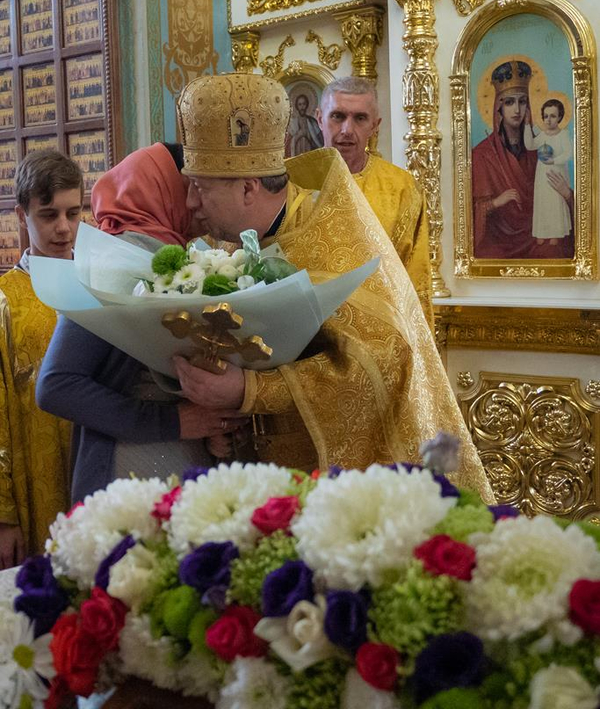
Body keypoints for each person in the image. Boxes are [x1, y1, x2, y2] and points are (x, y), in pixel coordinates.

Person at [173, 72, 493, 498]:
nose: (190, 204)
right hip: (256, 473)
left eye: (199, 188)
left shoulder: (336, 236)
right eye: (337, 116)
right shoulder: (218, 243)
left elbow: (387, 358)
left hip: (340, 487)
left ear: (249, 188)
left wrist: (252, 390)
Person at [36, 143, 243, 503]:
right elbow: (56, 385)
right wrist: (174, 422)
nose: (196, 202)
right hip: (128, 469)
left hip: (180, 462)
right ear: (161, 189)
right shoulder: (113, 263)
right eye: (188, 188)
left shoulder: (181, 255)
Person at [0, 150, 83, 568]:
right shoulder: (6, 301)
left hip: (95, 466)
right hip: (34, 479)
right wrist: (3, 517)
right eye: (49, 215)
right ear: (21, 215)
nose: (64, 228)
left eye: (73, 212)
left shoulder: (100, 285)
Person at [317, 76, 433, 328]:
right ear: (319, 118)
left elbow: (415, 275)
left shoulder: (401, 188)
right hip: (307, 335)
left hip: (378, 332)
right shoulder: (292, 182)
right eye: (337, 116)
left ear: (375, 126)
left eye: (360, 118)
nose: (347, 130)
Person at [472, 60, 573, 260]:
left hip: (540, 231)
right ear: (498, 108)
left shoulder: (542, 147)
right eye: (509, 102)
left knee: (554, 251)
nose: (517, 109)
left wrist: (567, 195)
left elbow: (560, 177)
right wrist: (495, 203)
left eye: (522, 101)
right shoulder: (482, 154)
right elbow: (470, 212)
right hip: (501, 242)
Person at [524, 98, 572, 246]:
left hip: (557, 174)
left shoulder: (563, 134)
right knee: (543, 202)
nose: (548, 120)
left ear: (559, 117)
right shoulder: (543, 135)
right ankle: (542, 232)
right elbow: (530, 145)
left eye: (552, 116)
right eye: (546, 116)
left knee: (554, 202)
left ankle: (555, 233)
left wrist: (554, 161)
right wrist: (527, 126)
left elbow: (568, 153)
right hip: (542, 175)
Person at [286, 93, 324, 157]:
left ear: (307, 105)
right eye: (300, 104)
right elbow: (287, 146)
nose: (302, 107)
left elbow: (320, 144)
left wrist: (309, 137)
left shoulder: (313, 122)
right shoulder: (292, 123)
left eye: (304, 104)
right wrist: (298, 136)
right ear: (296, 106)